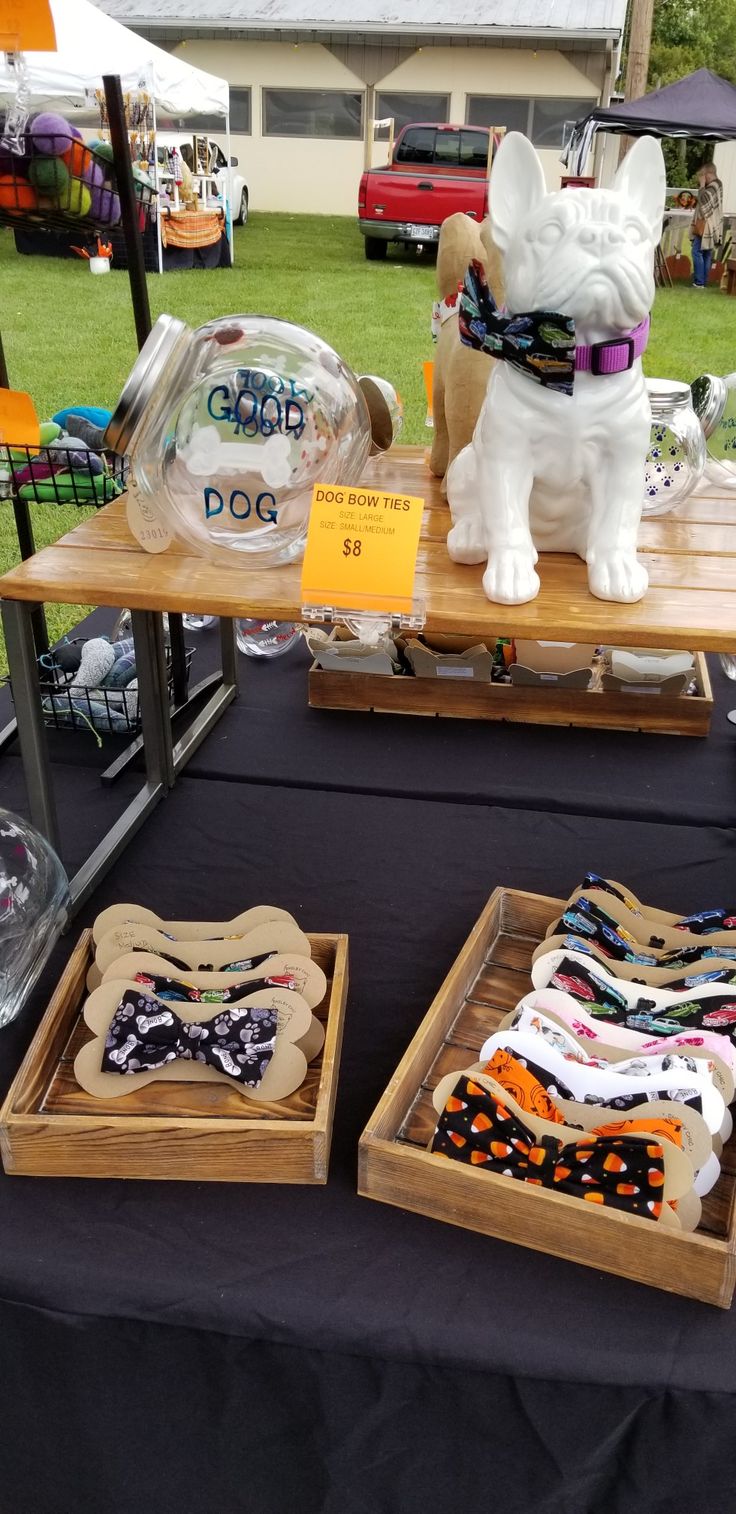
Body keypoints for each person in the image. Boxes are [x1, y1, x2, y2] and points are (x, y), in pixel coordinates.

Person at [690, 161, 723, 288]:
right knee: (706, 252)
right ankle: (703, 281)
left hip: (706, 224)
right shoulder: (719, 185)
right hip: (713, 223)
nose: (702, 178)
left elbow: (703, 203)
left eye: (703, 175)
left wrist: (702, 185)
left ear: (709, 174)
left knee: (697, 251)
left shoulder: (712, 187)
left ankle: (699, 282)